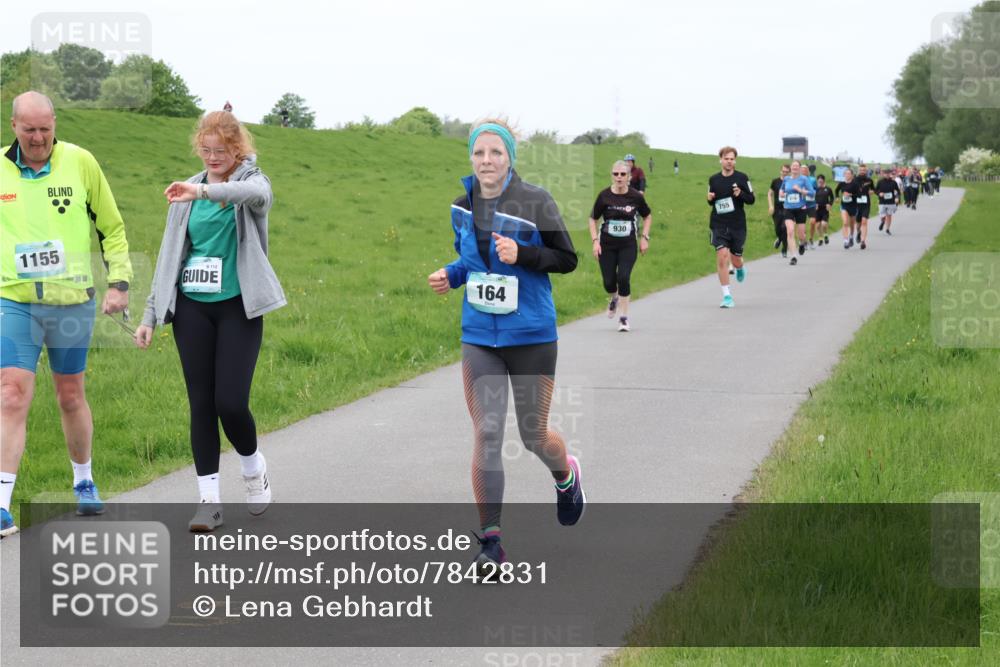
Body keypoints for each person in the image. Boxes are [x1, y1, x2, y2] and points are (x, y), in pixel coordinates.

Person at [426, 119, 584, 575]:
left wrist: (525, 255)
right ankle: (490, 543)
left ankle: (566, 474)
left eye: (496, 153)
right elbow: (470, 262)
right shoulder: (461, 206)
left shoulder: (536, 201)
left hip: (531, 335)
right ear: (470, 158)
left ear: (510, 156)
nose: (487, 161)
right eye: (479, 153)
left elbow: (567, 258)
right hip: (479, 337)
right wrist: (450, 275)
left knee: (533, 436)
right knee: (487, 432)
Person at [134, 111, 286, 533]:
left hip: (238, 306)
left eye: (222, 151)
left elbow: (249, 195)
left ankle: (254, 468)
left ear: (238, 149)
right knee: (201, 403)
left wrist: (201, 191)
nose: (213, 157)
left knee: (231, 403)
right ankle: (208, 500)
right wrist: (150, 315)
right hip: (192, 308)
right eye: (206, 150)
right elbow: (169, 259)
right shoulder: (188, 191)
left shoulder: (254, 183)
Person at [1, 91, 133, 538]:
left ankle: (84, 482)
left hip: (72, 300)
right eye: (29, 129)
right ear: (14, 125)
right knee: (12, 393)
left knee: (70, 394)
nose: (38, 138)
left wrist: (119, 283)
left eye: (45, 129)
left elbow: (111, 227)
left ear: (55, 123)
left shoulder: (80, 162)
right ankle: (2, 503)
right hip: (14, 299)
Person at [588, 160, 652, 331]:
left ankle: (623, 318)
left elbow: (647, 216)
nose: (619, 177)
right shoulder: (604, 196)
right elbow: (592, 219)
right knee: (609, 282)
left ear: (629, 177)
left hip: (627, 245)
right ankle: (614, 298)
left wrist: (645, 237)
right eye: (616, 174)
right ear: (612, 175)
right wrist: (595, 242)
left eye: (623, 174)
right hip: (606, 245)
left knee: (623, 277)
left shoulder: (636, 197)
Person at [706, 146, 755, 307]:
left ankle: (740, 268)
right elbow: (711, 199)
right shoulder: (713, 179)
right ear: (720, 159)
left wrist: (740, 194)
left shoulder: (742, 178)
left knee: (735, 258)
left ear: (735, 160)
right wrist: (710, 198)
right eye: (726, 158)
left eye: (732, 159)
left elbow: (751, 199)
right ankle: (727, 296)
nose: (729, 161)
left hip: (737, 225)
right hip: (718, 224)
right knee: (722, 256)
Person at [780, 160, 813, 265]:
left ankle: (802, 243)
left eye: (796, 166)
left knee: (801, 234)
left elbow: (812, 193)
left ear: (799, 168)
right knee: (790, 231)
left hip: (800, 208)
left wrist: (800, 190)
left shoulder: (804, 179)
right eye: (793, 166)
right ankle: (794, 256)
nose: (794, 167)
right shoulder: (786, 179)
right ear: (791, 168)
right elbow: (782, 190)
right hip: (788, 208)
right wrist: (781, 193)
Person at [768, 164, 790, 256]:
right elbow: (770, 194)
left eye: (786, 172)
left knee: (784, 228)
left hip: (788, 208)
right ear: (780, 171)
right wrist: (771, 206)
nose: (784, 173)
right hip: (777, 209)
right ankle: (779, 239)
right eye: (783, 171)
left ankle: (784, 249)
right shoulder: (775, 181)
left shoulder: (791, 182)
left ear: (789, 172)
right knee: (777, 228)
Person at [835, 168, 860, 249]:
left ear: (852, 175)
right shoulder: (841, 184)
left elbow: (859, 195)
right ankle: (845, 240)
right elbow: (836, 190)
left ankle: (851, 236)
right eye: (846, 174)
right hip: (844, 206)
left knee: (852, 224)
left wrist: (851, 195)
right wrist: (837, 197)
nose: (847, 175)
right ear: (844, 175)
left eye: (849, 174)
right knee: (845, 222)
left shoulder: (855, 184)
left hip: (853, 206)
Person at [854, 164, 875, 250]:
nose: (862, 171)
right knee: (858, 223)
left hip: (866, 203)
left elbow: (874, 189)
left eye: (864, 170)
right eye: (861, 170)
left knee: (864, 222)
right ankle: (859, 232)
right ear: (858, 170)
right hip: (857, 204)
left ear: (866, 171)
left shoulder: (869, 180)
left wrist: (872, 192)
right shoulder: (854, 180)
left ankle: (863, 241)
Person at [876, 169, 902, 235]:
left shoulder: (893, 182)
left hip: (891, 201)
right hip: (882, 201)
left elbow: (898, 191)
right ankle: (883, 222)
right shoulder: (880, 182)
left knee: (889, 215)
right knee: (882, 215)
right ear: (883, 174)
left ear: (890, 174)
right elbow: (876, 190)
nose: (887, 175)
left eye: (888, 173)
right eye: (885, 173)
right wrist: (879, 193)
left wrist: (897, 198)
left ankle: (887, 229)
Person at [813, 174, 835, 246]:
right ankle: (820, 238)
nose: (820, 182)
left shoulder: (828, 189)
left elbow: (832, 198)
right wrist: (814, 204)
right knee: (817, 225)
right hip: (817, 209)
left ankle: (825, 234)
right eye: (818, 181)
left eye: (821, 181)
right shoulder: (815, 189)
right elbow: (811, 198)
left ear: (823, 181)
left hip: (825, 209)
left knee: (823, 224)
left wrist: (830, 204)